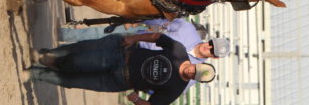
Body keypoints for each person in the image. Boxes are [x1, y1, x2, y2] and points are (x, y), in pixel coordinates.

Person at [23, 32, 216, 105]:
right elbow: (157, 37)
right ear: (197, 64)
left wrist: (137, 100)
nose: (191, 72)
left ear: (196, 79)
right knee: (75, 62)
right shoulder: (178, 51)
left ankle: (34, 74)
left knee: (72, 81)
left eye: (195, 76)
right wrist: (133, 38)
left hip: (118, 82)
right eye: (195, 69)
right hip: (120, 58)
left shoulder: (176, 89)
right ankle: (47, 58)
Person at [57, 18, 230, 91]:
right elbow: (162, 21)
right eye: (211, 43)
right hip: (133, 39)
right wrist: (135, 21)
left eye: (212, 50)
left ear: (214, 57)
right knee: (91, 42)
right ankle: (62, 37)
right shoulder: (188, 29)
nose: (208, 47)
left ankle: (56, 72)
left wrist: (140, 83)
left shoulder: (192, 75)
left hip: (131, 70)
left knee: (88, 74)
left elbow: (163, 90)